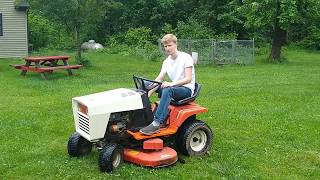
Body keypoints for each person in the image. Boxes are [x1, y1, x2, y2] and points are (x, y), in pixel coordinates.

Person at [140, 34, 195, 135]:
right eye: (165, 46)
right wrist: (148, 92)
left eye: (169, 45)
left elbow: (188, 79)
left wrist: (171, 84)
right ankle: (143, 113)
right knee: (145, 84)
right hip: (174, 87)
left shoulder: (186, 57)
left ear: (175, 44)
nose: (167, 48)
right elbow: (159, 78)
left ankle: (157, 122)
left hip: (186, 89)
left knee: (167, 90)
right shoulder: (166, 61)